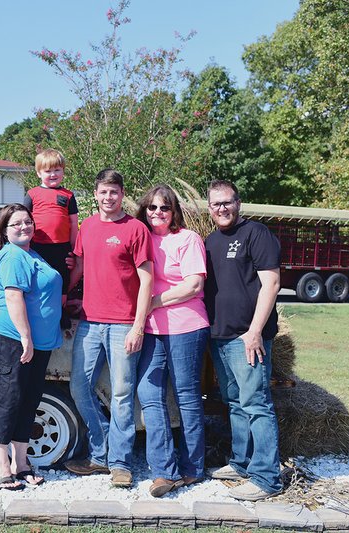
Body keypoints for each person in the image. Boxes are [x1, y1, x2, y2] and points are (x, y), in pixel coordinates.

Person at [63, 169, 153, 487]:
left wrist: (138, 326)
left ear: (121, 193)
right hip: (90, 321)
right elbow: (81, 269)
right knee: (79, 387)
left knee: (121, 395)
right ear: (96, 193)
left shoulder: (135, 229)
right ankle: (100, 454)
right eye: (103, 192)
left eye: (114, 192)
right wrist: (63, 295)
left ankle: (120, 464)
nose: (108, 197)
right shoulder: (87, 226)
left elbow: (147, 280)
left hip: (123, 324)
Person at [204, 179, 283, 501]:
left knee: (256, 404)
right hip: (219, 336)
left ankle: (267, 478)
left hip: (246, 337)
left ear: (238, 203)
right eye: (216, 204)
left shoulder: (256, 234)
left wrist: (254, 332)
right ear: (209, 209)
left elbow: (272, 284)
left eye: (227, 202)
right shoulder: (210, 241)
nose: (222, 208)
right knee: (235, 403)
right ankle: (241, 462)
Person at [134, 184, 210, 497]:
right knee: (148, 392)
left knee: (186, 396)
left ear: (173, 210)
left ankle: (193, 468)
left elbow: (193, 285)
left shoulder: (188, 239)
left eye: (164, 207)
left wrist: (152, 302)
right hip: (151, 330)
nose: (157, 213)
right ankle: (164, 471)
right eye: (152, 207)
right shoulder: (141, 238)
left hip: (186, 327)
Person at [0, 204, 63, 490]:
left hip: (36, 343)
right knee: (9, 399)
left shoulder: (32, 254)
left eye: (27, 222)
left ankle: (21, 461)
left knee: (28, 400)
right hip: (12, 339)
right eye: (16, 223)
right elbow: (14, 297)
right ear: (4, 230)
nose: (23, 227)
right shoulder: (13, 255)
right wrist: (26, 338)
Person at [23, 149, 78, 329]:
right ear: (39, 173)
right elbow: (24, 219)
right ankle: (36, 311)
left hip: (61, 247)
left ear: (63, 171)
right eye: (48, 171)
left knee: (61, 279)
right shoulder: (32, 194)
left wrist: (74, 249)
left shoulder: (68, 195)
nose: (53, 174)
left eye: (57, 170)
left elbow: (73, 223)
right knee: (39, 280)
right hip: (38, 246)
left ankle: (60, 311)